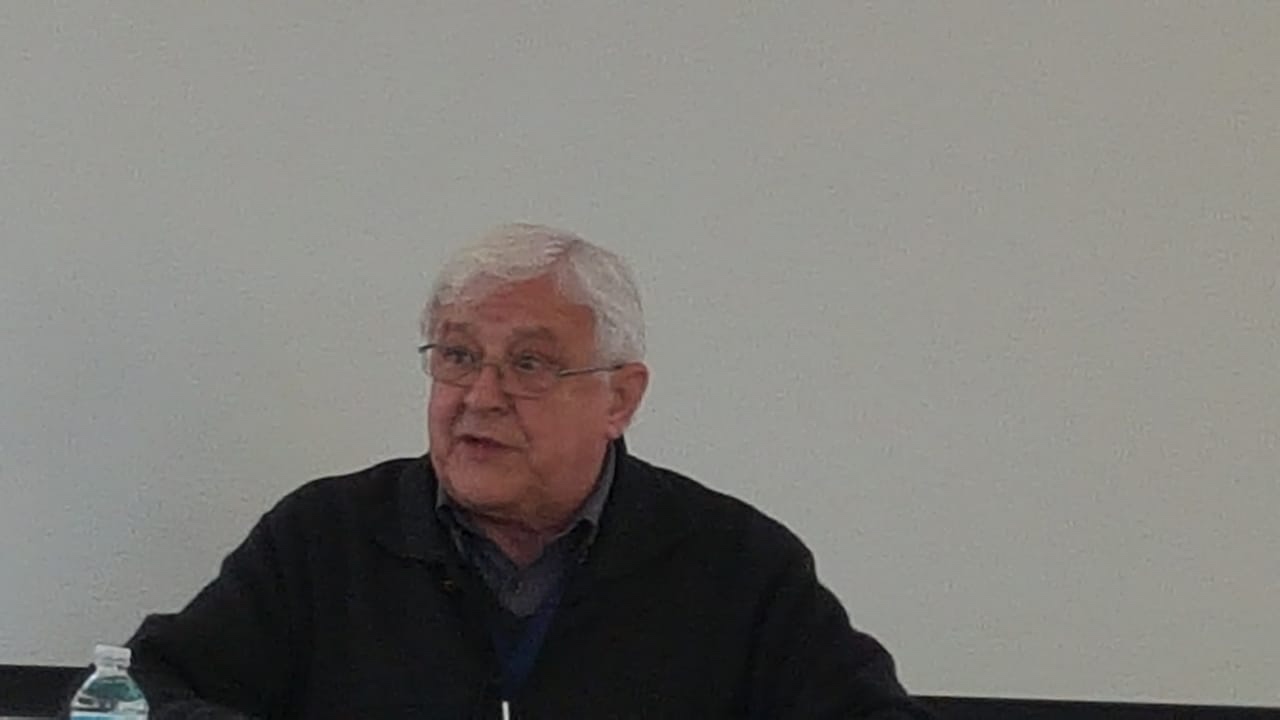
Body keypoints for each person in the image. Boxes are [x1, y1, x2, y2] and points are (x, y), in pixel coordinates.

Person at [121, 224, 933, 718]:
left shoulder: (737, 565)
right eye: (457, 356)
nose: (481, 396)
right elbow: (146, 692)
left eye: (530, 364)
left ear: (620, 398)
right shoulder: (324, 539)